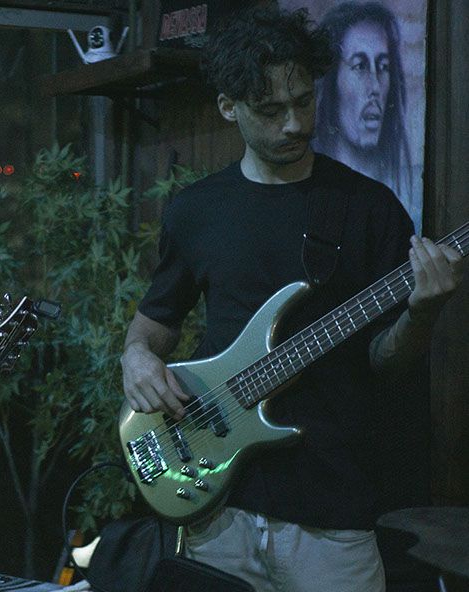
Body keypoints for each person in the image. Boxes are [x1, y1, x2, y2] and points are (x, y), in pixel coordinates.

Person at [120, 7, 462, 592]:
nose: (294, 123)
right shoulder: (197, 210)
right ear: (228, 106)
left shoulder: (369, 208)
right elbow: (156, 321)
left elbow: (386, 362)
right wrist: (136, 357)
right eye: (270, 109)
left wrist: (424, 311)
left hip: (332, 512)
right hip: (217, 510)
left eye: (304, 101)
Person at [312, 2, 414, 221]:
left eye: (383, 67)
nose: (375, 87)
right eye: (360, 66)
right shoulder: (309, 188)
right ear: (331, 81)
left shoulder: (406, 193)